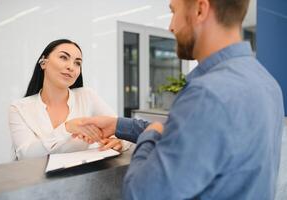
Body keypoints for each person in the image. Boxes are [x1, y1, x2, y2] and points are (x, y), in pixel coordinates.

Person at [69, 0, 285, 199]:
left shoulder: (208, 94)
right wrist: (117, 125)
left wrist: (151, 134)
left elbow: (141, 194)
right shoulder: (266, 83)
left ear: (200, 9)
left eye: (174, 12)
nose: (171, 27)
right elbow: (187, 136)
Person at [9, 39, 128, 160]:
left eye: (77, 63)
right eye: (63, 57)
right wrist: (67, 128)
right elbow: (26, 155)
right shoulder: (19, 108)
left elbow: (122, 130)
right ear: (43, 62)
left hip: (82, 177)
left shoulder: (87, 96)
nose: (71, 67)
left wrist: (119, 142)